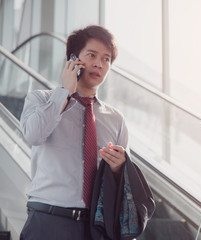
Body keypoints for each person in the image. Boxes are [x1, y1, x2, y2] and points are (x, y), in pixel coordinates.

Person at [19, 25, 129, 239]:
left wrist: (118, 168)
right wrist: (64, 93)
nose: (99, 64)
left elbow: (123, 182)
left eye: (106, 59)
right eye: (92, 55)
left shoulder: (116, 119)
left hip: (95, 227)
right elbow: (33, 135)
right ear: (73, 59)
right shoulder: (41, 99)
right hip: (47, 221)